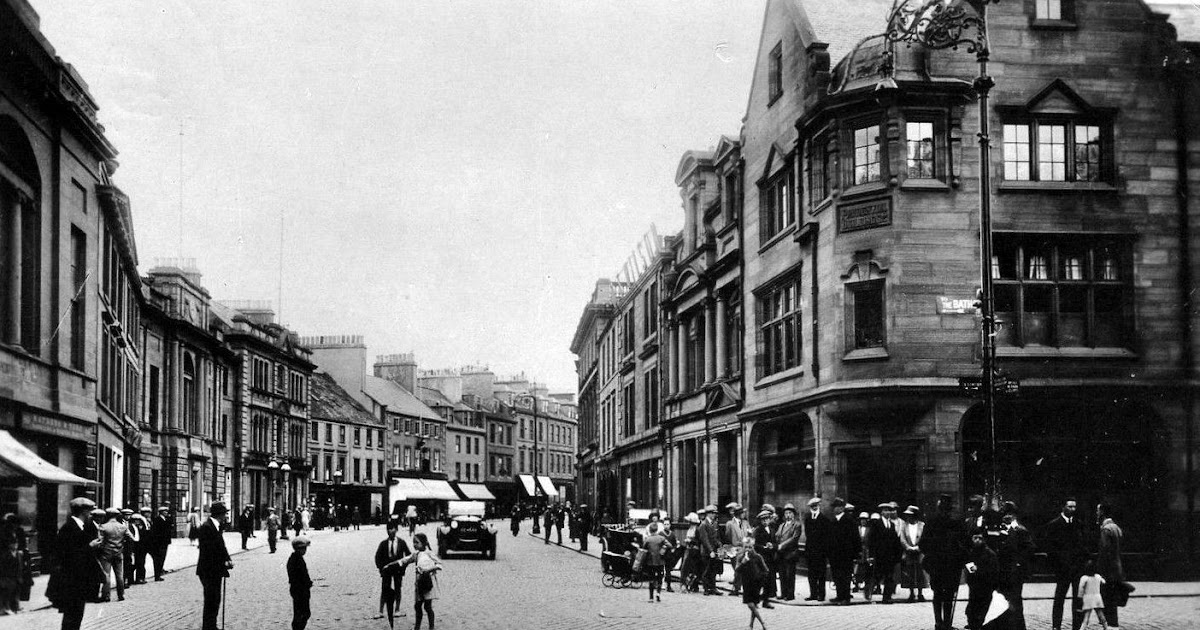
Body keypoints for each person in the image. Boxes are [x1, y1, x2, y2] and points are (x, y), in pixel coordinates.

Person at [46, 498, 103, 630]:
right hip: (71, 582)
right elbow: (68, 556)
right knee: (72, 616)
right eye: (89, 511)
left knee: (75, 616)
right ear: (83, 511)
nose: (91, 514)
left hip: (77, 582)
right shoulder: (69, 528)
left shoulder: (79, 527)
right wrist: (89, 546)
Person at [922, 494, 966, 630]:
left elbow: (923, 544)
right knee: (948, 596)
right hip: (950, 566)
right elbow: (964, 544)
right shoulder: (956, 523)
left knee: (938, 595)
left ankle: (939, 623)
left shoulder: (931, 522)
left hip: (937, 565)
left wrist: (930, 555)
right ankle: (946, 624)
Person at [1043, 497, 1087, 630]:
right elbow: (1050, 548)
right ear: (1063, 507)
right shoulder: (1054, 525)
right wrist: (1057, 566)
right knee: (1059, 599)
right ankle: (1056, 626)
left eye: (1074, 507)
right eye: (1070, 507)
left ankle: (1076, 626)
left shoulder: (1078, 524)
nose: (1073, 509)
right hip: (1062, 570)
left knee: (1077, 600)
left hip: (1077, 570)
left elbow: (1083, 546)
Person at [997, 501, 1035, 630]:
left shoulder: (1020, 530)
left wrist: (1020, 562)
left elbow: (1030, 548)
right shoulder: (1000, 530)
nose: (1006, 517)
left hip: (1016, 572)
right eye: (1004, 514)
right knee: (1004, 600)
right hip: (1003, 571)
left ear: (1014, 515)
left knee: (1015, 600)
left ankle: (1019, 627)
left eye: (1009, 514)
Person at [196, 502, 233, 630]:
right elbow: (209, 550)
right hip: (208, 570)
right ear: (220, 514)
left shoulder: (216, 526)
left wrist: (227, 559)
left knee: (215, 599)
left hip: (215, 570)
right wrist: (222, 562)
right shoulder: (207, 527)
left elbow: (221, 546)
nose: (226, 516)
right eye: (225, 513)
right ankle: (208, 626)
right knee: (211, 599)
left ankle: (211, 625)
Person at [399, 532, 442, 630]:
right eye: (414, 542)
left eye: (417, 542)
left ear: (424, 543)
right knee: (417, 606)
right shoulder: (416, 554)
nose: (414, 544)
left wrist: (429, 570)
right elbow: (406, 560)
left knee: (427, 606)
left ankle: (431, 627)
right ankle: (417, 627)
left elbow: (439, 565)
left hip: (428, 583)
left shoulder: (429, 553)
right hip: (419, 584)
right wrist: (394, 564)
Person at [375, 520, 412, 628]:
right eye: (389, 529)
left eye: (392, 528)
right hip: (387, 570)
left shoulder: (401, 542)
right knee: (385, 589)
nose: (390, 531)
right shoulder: (383, 543)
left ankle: (397, 609)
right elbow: (377, 557)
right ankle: (381, 611)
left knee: (398, 588)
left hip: (398, 570)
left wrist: (403, 567)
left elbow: (408, 556)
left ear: (396, 530)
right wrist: (381, 568)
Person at [1096, 503, 1125, 630]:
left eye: (1097, 511)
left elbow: (1104, 551)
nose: (1096, 513)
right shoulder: (1117, 528)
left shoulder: (1106, 529)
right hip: (1117, 569)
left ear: (1102, 512)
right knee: (1112, 599)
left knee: (1107, 599)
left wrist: (1100, 571)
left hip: (1108, 570)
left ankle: (1110, 626)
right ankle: (1113, 625)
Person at [827, 497, 860, 605]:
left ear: (842, 508)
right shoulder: (832, 521)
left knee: (845, 576)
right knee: (836, 575)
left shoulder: (849, 520)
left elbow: (855, 538)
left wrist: (856, 553)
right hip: (834, 554)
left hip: (846, 554)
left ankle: (846, 597)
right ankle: (839, 595)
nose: (835, 509)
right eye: (834, 507)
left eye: (837, 507)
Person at [964, 531, 999, 630]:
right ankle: (972, 623)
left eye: (980, 538)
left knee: (982, 605)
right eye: (975, 538)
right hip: (974, 584)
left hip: (985, 584)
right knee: (972, 605)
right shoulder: (971, 552)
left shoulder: (989, 554)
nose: (977, 540)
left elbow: (993, 570)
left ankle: (978, 623)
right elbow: (967, 564)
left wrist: (978, 569)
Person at [733, 533, 769, 630]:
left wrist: (761, 580)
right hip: (746, 584)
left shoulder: (757, 557)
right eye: (746, 547)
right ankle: (763, 623)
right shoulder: (740, 557)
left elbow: (766, 570)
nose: (748, 549)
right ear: (743, 547)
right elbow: (737, 570)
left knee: (753, 605)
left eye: (750, 547)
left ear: (753, 547)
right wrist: (743, 563)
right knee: (751, 605)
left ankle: (751, 626)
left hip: (756, 584)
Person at [96, 507, 129, 602]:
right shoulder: (123, 527)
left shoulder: (103, 526)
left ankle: (106, 596)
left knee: (106, 574)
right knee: (119, 574)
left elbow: (100, 541)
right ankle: (121, 594)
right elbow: (130, 538)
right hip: (118, 553)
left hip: (106, 553)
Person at [874, 503, 904, 604]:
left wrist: (897, 555)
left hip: (890, 556)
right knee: (878, 575)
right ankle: (871, 589)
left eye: (889, 511)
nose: (888, 513)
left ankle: (886, 597)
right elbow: (872, 541)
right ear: (881, 512)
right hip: (879, 555)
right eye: (885, 511)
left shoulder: (891, 525)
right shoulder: (876, 524)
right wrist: (872, 555)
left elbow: (895, 541)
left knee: (889, 577)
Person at [899, 505, 927, 602]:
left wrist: (918, 547)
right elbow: (902, 539)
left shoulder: (922, 525)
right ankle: (911, 593)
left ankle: (920, 593)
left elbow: (924, 538)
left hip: (919, 552)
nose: (908, 517)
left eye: (910, 515)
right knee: (909, 572)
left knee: (920, 572)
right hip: (909, 552)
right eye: (907, 515)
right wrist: (908, 547)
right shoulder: (904, 526)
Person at [803, 497, 829, 601]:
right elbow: (808, 535)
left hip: (820, 552)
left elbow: (826, 537)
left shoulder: (824, 519)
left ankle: (821, 595)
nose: (814, 508)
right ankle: (813, 594)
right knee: (811, 574)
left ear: (819, 506)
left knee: (821, 574)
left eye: (815, 506)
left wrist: (824, 551)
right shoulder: (808, 519)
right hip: (810, 552)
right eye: (812, 506)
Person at [752, 508, 778, 608]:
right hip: (762, 559)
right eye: (763, 520)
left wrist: (773, 546)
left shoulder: (772, 529)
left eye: (767, 519)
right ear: (760, 521)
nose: (765, 521)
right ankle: (755, 600)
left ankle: (766, 601)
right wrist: (763, 547)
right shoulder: (757, 531)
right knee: (760, 580)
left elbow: (776, 543)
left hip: (771, 559)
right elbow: (755, 545)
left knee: (769, 580)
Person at [640, 522, 672, 602]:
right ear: (657, 530)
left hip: (650, 562)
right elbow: (670, 545)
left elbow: (643, 550)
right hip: (660, 561)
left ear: (650, 530)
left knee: (651, 579)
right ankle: (658, 593)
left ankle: (651, 598)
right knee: (660, 578)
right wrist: (663, 549)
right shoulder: (661, 538)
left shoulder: (648, 539)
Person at [775, 504, 801, 601]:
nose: (788, 515)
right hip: (781, 553)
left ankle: (790, 595)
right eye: (786, 513)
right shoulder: (781, 525)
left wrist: (782, 545)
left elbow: (794, 538)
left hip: (790, 553)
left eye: (790, 513)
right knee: (782, 574)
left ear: (793, 514)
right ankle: (783, 593)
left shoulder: (797, 525)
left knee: (789, 575)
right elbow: (777, 535)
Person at [287, 536, 313, 630]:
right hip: (299, 590)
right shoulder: (296, 560)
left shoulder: (296, 558)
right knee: (302, 613)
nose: (305, 551)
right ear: (298, 549)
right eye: (303, 548)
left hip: (300, 589)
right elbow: (298, 576)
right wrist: (306, 583)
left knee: (303, 613)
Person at [697, 505, 722, 595]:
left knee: (713, 570)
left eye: (714, 513)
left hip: (714, 551)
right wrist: (710, 550)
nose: (714, 515)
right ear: (708, 514)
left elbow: (716, 538)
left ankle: (713, 588)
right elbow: (705, 539)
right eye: (712, 513)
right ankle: (706, 588)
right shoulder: (703, 525)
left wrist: (720, 545)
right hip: (706, 552)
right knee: (706, 570)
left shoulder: (714, 524)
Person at [723, 503, 747, 595]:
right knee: (737, 569)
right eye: (742, 513)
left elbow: (749, 534)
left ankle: (737, 588)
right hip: (734, 549)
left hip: (744, 549)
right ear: (738, 514)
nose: (744, 515)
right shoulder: (730, 524)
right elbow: (728, 536)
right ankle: (736, 588)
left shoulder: (745, 523)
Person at [1077, 560, 1108, 630]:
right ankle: (1106, 627)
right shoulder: (1098, 576)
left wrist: (1080, 597)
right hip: (1097, 598)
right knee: (1101, 615)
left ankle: (1082, 628)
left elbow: (1081, 589)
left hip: (1088, 598)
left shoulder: (1084, 578)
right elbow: (1104, 582)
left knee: (1086, 616)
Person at [679, 511, 702, 592]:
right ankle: (688, 584)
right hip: (688, 549)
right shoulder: (690, 529)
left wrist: (690, 541)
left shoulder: (697, 530)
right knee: (686, 567)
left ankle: (693, 585)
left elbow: (699, 541)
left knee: (692, 568)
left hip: (694, 550)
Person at [854, 512, 875, 598]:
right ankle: (856, 585)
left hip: (866, 552)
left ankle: (867, 591)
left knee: (868, 572)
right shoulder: (857, 529)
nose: (863, 521)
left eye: (864, 520)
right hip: (858, 552)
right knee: (857, 570)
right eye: (861, 520)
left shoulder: (870, 530)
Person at [150, 506, 172, 581]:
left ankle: (159, 574)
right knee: (158, 559)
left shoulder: (166, 519)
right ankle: (157, 575)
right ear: (161, 512)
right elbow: (155, 533)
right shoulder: (157, 520)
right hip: (159, 544)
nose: (166, 512)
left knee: (162, 558)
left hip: (165, 543)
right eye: (165, 511)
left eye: (167, 511)